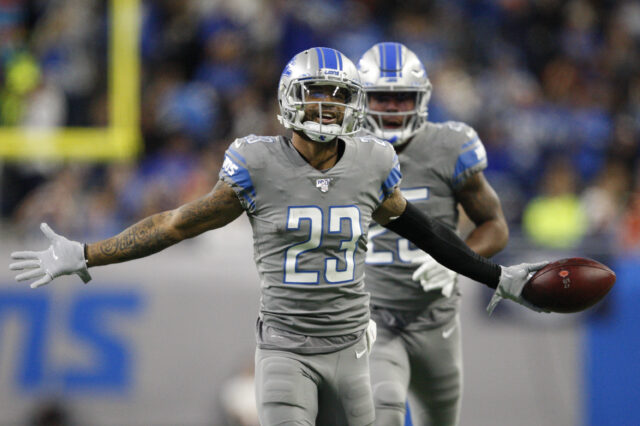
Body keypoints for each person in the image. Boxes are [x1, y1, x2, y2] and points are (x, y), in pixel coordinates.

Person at [10, 47, 545, 426]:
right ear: (290, 98)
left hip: (353, 344)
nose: (327, 106)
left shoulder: (371, 162)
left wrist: (496, 276)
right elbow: (175, 223)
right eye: (316, 94)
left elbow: (427, 233)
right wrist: (86, 252)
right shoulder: (256, 162)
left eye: (338, 97)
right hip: (285, 347)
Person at [357, 42, 509, 426]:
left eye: (402, 97)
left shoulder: (450, 145)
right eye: (381, 97)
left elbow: (495, 225)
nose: (392, 108)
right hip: (371, 315)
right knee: (384, 406)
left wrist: (457, 260)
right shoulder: (341, 148)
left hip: (436, 317)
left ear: (421, 98)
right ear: (361, 98)